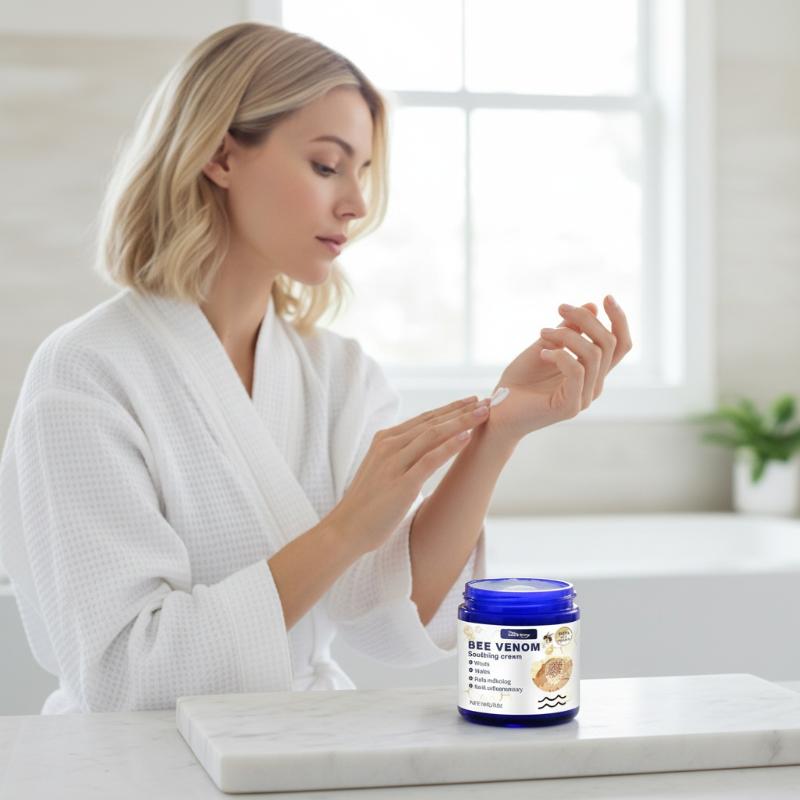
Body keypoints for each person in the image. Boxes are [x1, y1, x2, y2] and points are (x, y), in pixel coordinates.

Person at [0, 22, 631, 714]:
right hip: (140, 760)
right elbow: (123, 674)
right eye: (328, 166)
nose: (356, 203)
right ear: (219, 156)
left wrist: (497, 433)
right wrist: (344, 529)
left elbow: (391, 618)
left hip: (302, 746)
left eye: (363, 172)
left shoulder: (338, 373)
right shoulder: (86, 374)